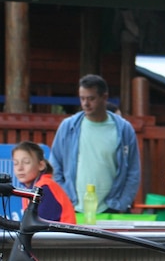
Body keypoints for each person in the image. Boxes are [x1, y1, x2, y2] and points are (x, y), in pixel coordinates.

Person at [50, 74, 140, 215]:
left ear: (104, 97)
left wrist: (122, 203)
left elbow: (133, 171)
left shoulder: (124, 129)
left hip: (112, 207)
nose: (85, 103)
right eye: (82, 98)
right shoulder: (68, 127)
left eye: (91, 98)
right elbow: (55, 165)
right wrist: (64, 196)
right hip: (73, 206)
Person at [12, 141, 76, 224]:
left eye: (26, 162)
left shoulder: (44, 188)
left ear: (41, 165)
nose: (19, 168)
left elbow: (42, 229)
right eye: (16, 163)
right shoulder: (31, 189)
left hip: (62, 236)